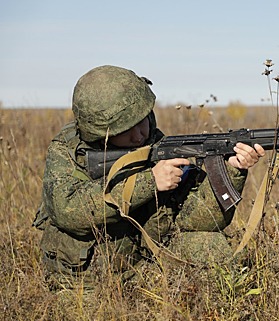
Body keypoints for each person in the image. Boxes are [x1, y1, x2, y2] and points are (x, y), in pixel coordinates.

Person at [32, 65, 265, 291]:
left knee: (209, 245)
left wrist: (232, 170)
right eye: (125, 130)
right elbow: (68, 212)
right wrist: (150, 181)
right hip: (87, 274)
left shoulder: (156, 144)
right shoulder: (69, 151)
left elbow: (199, 223)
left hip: (145, 263)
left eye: (141, 121)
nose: (139, 135)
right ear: (100, 132)